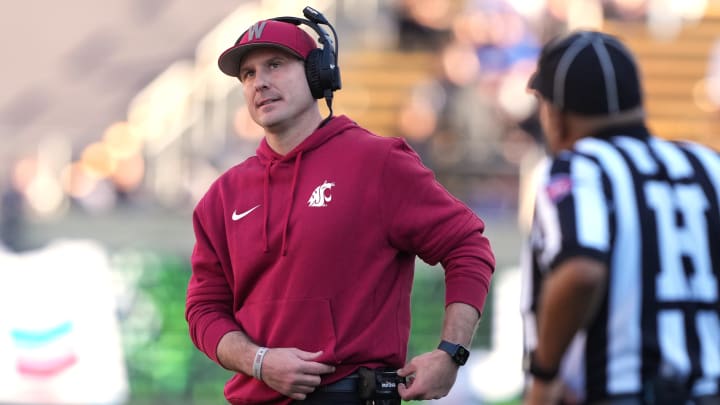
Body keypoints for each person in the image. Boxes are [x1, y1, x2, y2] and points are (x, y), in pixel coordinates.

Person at [184, 7, 496, 405]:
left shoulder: (378, 163)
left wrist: (452, 353)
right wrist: (259, 361)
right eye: (248, 74)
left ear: (318, 72)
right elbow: (204, 309)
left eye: (275, 65)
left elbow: (467, 246)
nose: (260, 82)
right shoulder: (222, 196)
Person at [520, 30, 720, 405]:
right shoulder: (708, 166)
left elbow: (581, 271)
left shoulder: (578, 169)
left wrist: (545, 375)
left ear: (556, 114)